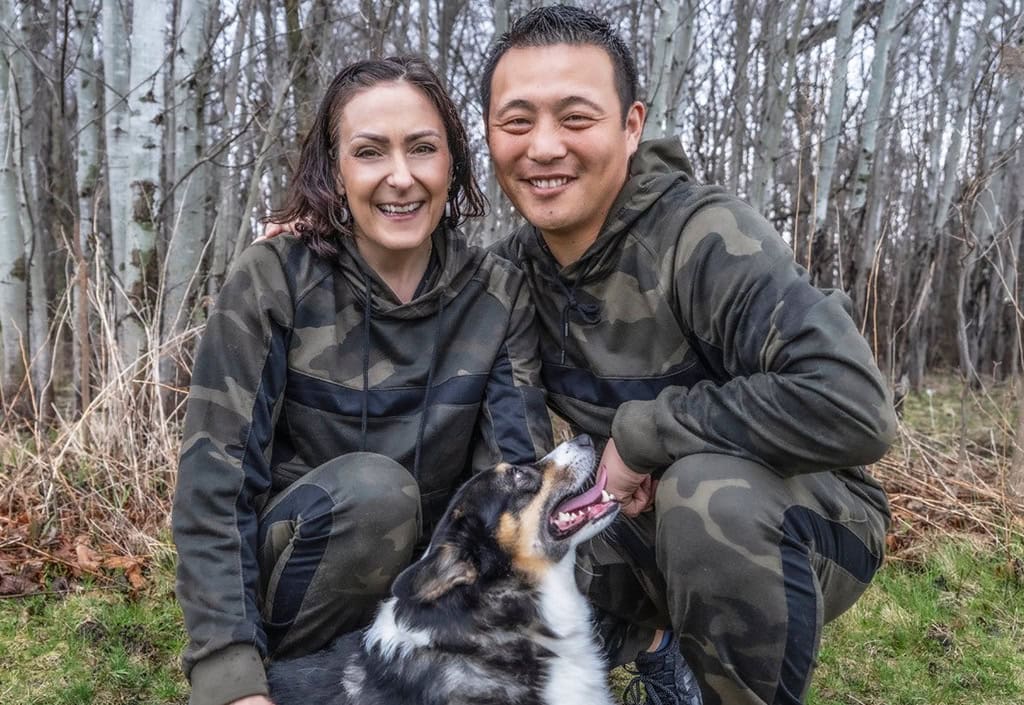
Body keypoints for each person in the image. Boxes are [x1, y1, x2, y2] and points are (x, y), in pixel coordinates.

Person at [482, 6, 896, 705]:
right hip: (631, 519)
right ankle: (661, 651)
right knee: (484, 540)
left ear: (631, 124)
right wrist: (316, 246)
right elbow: (412, 331)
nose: (544, 147)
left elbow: (855, 405)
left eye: (575, 118)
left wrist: (646, 437)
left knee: (705, 491)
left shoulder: (704, 236)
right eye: (517, 122)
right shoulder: (510, 274)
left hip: (801, 517)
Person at [172, 56, 552, 705]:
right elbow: (215, 489)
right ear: (335, 169)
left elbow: (508, 493)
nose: (400, 177)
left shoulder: (498, 296)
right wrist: (232, 679)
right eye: (370, 151)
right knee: (379, 493)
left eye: (423, 149)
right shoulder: (273, 279)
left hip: (427, 607)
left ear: (453, 163)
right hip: (295, 593)